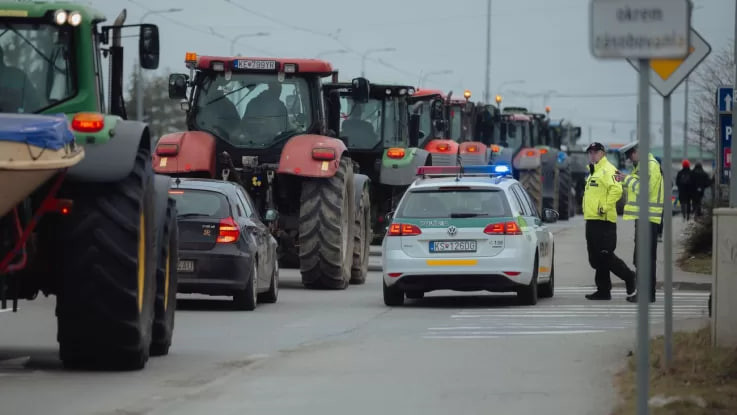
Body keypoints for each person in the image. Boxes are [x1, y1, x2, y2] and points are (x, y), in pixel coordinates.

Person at [582, 142, 637, 301]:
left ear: (603, 153)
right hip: (592, 220)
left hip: (604, 221)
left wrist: (604, 207)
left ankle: (629, 277)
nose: (592, 155)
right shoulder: (593, 171)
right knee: (595, 258)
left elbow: (617, 190)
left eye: (595, 152)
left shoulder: (608, 170)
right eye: (590, 152)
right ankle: (603, 290)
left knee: (605, 255)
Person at [617, 142, 664, 303]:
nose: (630, 159)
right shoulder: (642, 166)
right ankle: (646, 293)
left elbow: (645, 188)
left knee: (644, 258)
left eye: (631, 155)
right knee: (641, 258)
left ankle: (646, 294)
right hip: (645, 218)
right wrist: (622, 180)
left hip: (648, 219)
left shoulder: (650, 166)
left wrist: (627, 179)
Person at [0, 45, 42, 113]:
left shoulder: (18, 76)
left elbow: (35, 104)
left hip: (19, 120)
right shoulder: (18, 75)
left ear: (1, 55)